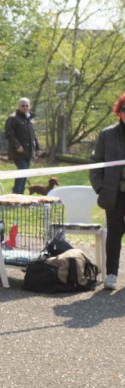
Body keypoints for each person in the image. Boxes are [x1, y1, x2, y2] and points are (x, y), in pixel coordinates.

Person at [89, 92, 125, 290]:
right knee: (115, 232)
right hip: (113, 193)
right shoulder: (107, 134)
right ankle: (111, 273)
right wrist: (100, 187)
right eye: (124, 109)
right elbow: (95, 163)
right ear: (119, 112)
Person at [5, 97, 40, 194]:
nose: (25, 108)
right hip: (18, 152)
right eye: (23, 106)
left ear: (29, 107)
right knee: (22, 170)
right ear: (19, 106)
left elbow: (33, 135)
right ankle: (16, 193)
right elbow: (9, 134)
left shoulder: (29, 119)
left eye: (27, 106)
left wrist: (37, 148)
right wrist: (17, 146)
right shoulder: (13, 118)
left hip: (28, 152)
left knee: (25, 173)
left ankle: (21, 194)